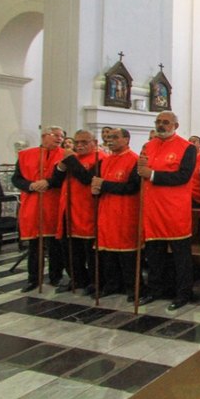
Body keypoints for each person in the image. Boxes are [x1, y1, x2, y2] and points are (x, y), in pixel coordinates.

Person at [137, 111, 197, 311]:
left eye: (165, 122)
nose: (161, 125)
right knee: (154, 255)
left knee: (181, 257)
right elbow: (142, 172)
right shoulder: (148, 146)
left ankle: (183, 293)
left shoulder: (186, 148)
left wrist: (152, 174)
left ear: (175, 126)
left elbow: (183, 176)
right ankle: (155, 289)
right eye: (158, 122)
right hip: (152, 209)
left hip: (174, 210)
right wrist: (142, 171)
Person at [12, 126, 67, 291]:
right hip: (33, 203)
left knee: (55, 244)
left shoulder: (64, 155)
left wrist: (48, 182)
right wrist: (31, 185)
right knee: (35, 245)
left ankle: (55, 276)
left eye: (61, 137)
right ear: (44, 136)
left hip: (54, 203)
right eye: (55, 135)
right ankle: (33, 278)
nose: (59, 139)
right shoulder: (25, 155)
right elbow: (17, 179)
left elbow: (64, 177)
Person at [90, 128, 141, 301]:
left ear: (126, 139)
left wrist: (104, 185)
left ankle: (133, 287)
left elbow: (132, 187)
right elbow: (97, 184)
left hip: (125, 212)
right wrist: (95, 189)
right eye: (109, 137)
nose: (110, 140)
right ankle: (112, 284)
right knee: (107, 253)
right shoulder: (104, 160)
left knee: (127, 253)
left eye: (115, 137)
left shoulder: (134, 160)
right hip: (106, 211)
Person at [55, 130, 102, 295]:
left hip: (87, 210)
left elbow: (86, 179)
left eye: (84, 142)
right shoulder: (71, 159)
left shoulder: (100, 159)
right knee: (70, 249)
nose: (79, 146)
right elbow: (55, 181)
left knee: (89, 250)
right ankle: (76, 278)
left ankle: (94, 281)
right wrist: (60, 167)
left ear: (94, 143)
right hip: (68, 209)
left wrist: (70, 159)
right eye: (77, 142)